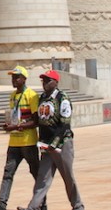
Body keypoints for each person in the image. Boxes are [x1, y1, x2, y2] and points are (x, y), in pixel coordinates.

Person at [18, 70, 84, 210]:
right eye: (43, 81)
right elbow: (40, 121)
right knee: (43, 178)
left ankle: (78, 206)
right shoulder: (42, 98)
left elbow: (65, 124)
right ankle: (33, 207)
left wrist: (55, 143)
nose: (45, 84)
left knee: (68, 177)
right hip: (46, 145)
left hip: (62, 144)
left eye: (48, 81)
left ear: (56, 82)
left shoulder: (62, 98)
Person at [0, 65, 41, 210]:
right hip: (14, 142)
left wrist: (16, 127)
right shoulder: (12, 96)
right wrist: (10, 125)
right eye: (12, 77)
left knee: (37, 174)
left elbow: (35, 121)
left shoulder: (32, 95)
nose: (13, 80)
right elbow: (15, 117)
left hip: (28, 142)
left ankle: (42, 204)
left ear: (24, 79)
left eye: (16, 77)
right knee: (8, 173)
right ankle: (1, 203)